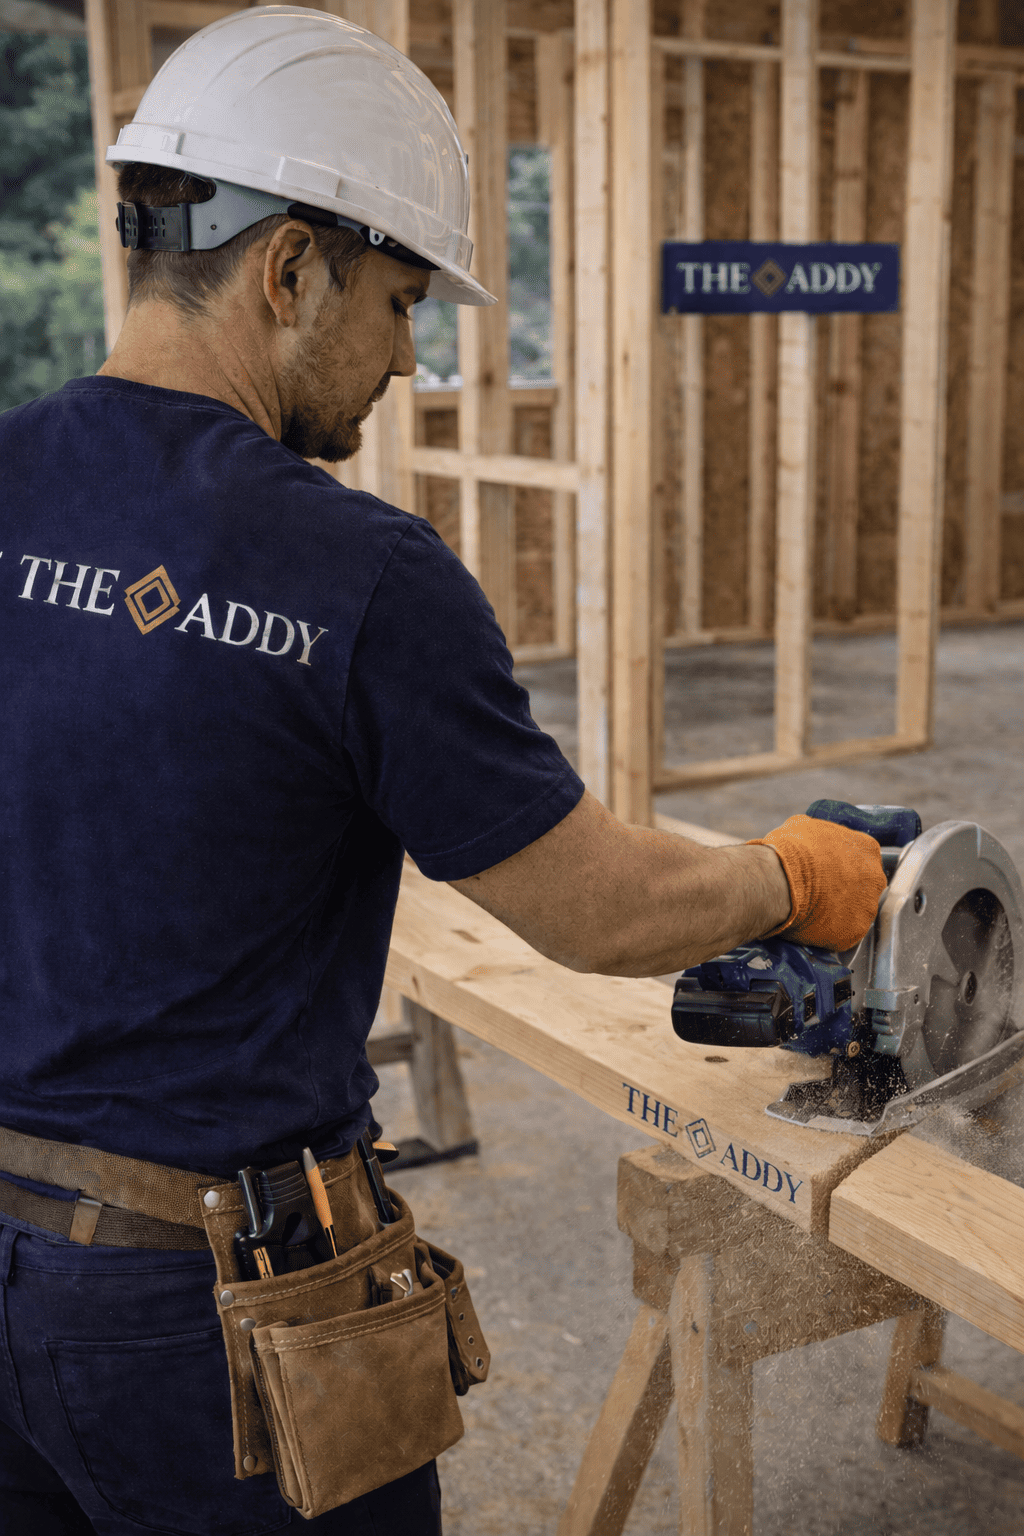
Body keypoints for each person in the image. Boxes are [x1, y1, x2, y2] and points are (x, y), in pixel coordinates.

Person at [0, 9, 886, 1532]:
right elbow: (597, 909)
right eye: (402, 300)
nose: (410, 359)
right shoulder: (358, 572)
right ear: (288, 269)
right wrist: (792, 874)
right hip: (213, 1320)